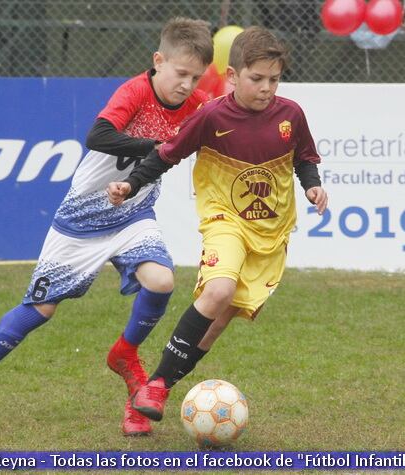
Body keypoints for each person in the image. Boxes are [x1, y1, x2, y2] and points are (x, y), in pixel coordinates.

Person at [0, 17, 213, 437]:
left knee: (161, 280)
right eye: (181, 73)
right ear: (158, 61)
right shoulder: (136, 91)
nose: (187, 84)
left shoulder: (197, 105)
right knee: (41, 309)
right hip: (81, 220)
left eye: (195, 78)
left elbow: (225, 121)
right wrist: (158, 148)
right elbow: (98, 135)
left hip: (133, 214)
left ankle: (126, 355)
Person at [107, 26, 328, 422]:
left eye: (274, 80)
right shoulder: (210, 115)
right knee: (219, 290)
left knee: (220, 317)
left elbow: (305, 158)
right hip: (224, 220)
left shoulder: (291, 114)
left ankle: (153, 391)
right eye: (256, 78)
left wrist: (313, 187)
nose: (266, 88)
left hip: (270, 231)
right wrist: (131, 182)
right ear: (232, 76)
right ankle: (155, 386)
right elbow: (167, 155)